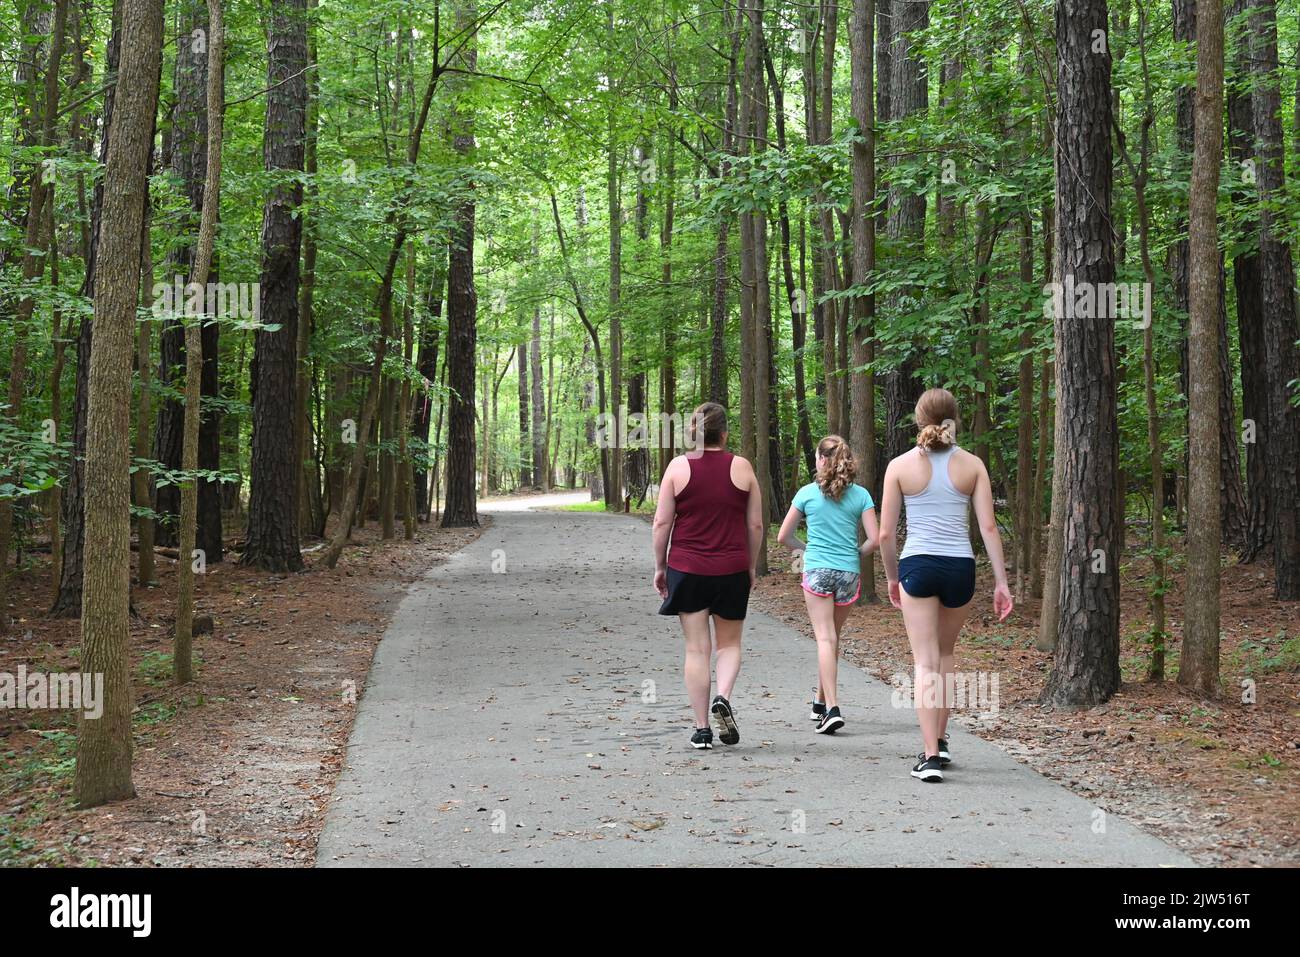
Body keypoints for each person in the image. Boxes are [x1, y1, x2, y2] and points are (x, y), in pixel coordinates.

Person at [878, 388, 1013, 783]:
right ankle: (940, 737)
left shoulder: (899, 466)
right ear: (956, 417)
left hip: (917, 565)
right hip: (960, 567)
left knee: (924, 661)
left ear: (918, 419)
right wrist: (1001, 582)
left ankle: (930, 755)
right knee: (946, 656)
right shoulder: (972, 465)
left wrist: (891, 576)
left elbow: (886, 534)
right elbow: (988, 527)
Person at [652, 402, 764, 750]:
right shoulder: (742, 468)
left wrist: (660, 566)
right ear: (725, 433)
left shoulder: (678, 468)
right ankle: (724, 697)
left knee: (696, 649)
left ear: (692, 433)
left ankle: (701, 729)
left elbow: (661, 523)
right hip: (731, 568)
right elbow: (756, 524)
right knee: (729, 644)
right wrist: (750, 564)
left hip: (687, 569)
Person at [776, 436, 878, 735]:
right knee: (832, 638)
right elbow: (876, 538)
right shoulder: (861, 495)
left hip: (818, 570)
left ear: (821, 460)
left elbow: (784, 536)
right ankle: (820, 702)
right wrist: (855, 553)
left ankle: (832, 708)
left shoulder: (806, 493)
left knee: (824, 639)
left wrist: (805, 550)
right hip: (848, 573)